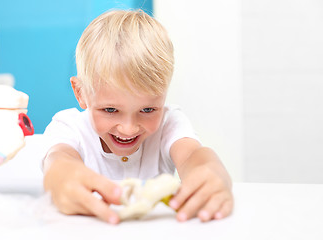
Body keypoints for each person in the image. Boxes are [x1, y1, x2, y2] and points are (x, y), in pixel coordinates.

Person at [42, 9, 233, 225]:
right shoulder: (69, 127)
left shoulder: (169, 123)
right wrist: (61, 177)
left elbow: (192, 156)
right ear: (81, 93)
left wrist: (212, 171)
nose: (128, 128)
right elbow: (58, 160)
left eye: (148, 110)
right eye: (111, 110)